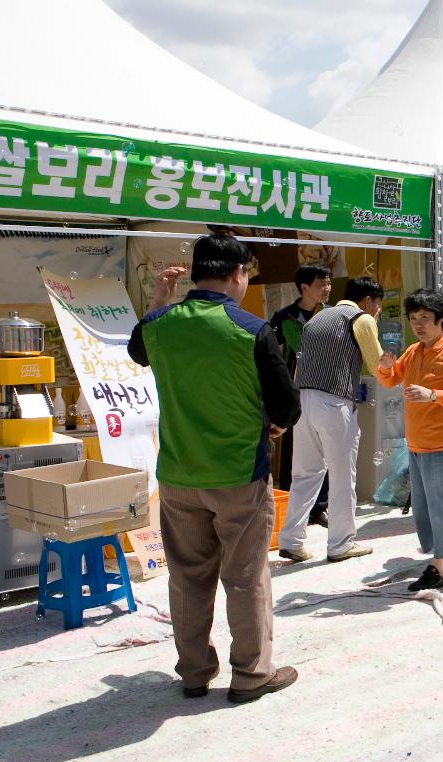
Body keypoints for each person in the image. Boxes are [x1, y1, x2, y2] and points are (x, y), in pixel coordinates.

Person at [128, 231, 301, 704]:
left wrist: (159, 301)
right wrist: (276, 427)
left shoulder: (160, 325)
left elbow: (139, 350)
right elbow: (287, 405)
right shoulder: (251, 328)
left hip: (179, 475)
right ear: (237, 274)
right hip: (238, 475)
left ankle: (194, 672)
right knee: (245, 577)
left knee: (186, 576)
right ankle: (250, 675)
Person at [276, 276, 392, 564]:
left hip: (302, 400)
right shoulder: (362, 318)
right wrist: (393, 367)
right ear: (368, 301)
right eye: (377, 304)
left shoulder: (317, 317)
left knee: (305, 474)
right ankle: (341, 544)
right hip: (335, 401)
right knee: (342, 476)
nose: (377, 310)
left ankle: (291, 539)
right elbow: (376, 365)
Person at [377, 290, 443, 590]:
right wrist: (386, 368)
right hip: (418, 445)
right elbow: (391, 378)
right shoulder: (414, 351)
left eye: (425, 318)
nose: (419, 325)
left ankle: (437, 570)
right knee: (427, 511)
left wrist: (434, 395)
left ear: (441, 321)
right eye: (414, 319)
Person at [269, 263, 331, 527]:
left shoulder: (333, 315)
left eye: (328, 283)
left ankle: (321, 507)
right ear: (304, 287)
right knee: (293, 451)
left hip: (326, 389)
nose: (327, 289)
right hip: (294, 392)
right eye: (321, 284)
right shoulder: (283, 318)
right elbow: (273, 356)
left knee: (325, 448)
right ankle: (293, 505)